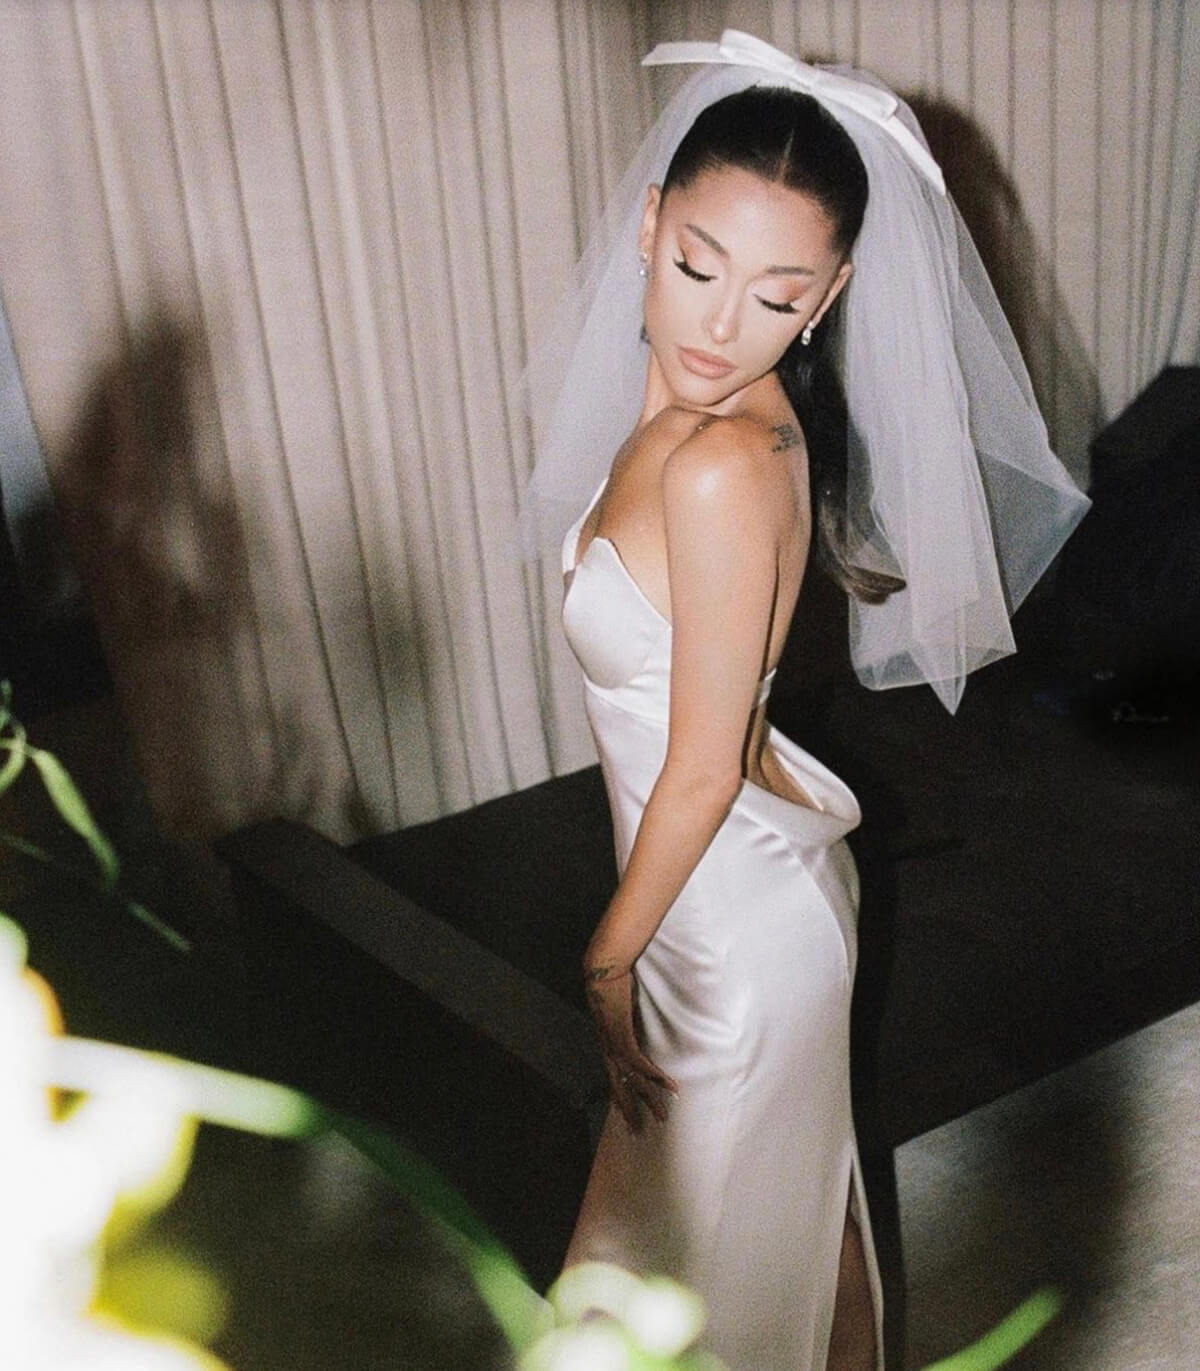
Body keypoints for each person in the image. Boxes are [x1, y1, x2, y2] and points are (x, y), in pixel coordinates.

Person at [519, 31, 1089, 1371]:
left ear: (827, 298)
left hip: (729, 936)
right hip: (718, 892)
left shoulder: (723, 462)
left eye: (776, 297)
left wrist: (604, 961)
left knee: (691, 1274)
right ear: (649, 226)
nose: (721, 327)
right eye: (697, 267)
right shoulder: (692, 422)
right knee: (774, 1232)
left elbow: (701, 767)